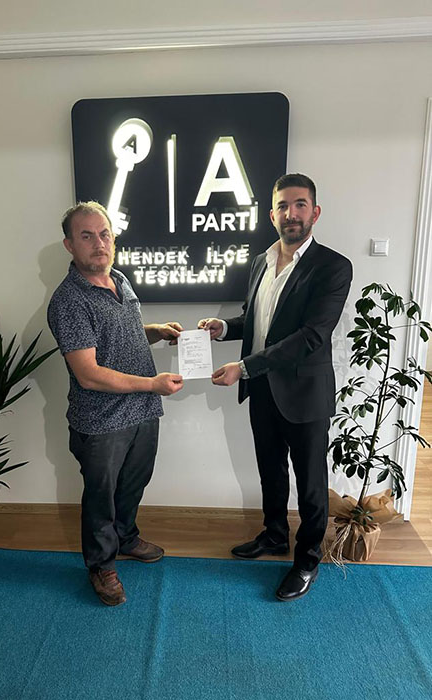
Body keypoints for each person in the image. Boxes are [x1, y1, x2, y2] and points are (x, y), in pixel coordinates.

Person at [198, 173, 352, 601]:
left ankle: (307, 561)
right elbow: (257, 320)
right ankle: (274, 535)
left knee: (311, 483)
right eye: (283, 205)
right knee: (270, 469)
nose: (291, 213)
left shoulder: (333, 267)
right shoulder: (261, 262)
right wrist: (224, 327)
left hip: (304, 394)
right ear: (272, 215)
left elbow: (311, 336)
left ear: (315, 212)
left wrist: (244, 367)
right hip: (263, 388)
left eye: (300, 205)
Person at [48, 201, 183, 606]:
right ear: (70, 245)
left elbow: (121, 333)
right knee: (100, 497)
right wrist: (152, 384)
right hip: (101, 422)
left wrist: (156, 331)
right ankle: (101, 565)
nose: (99, 243)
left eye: (104, 234)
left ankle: (125, 537)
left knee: (133, 484)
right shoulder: (68, 301)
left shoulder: (119, 280)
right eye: (86, 236)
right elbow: (88, 373)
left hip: (142, 411)